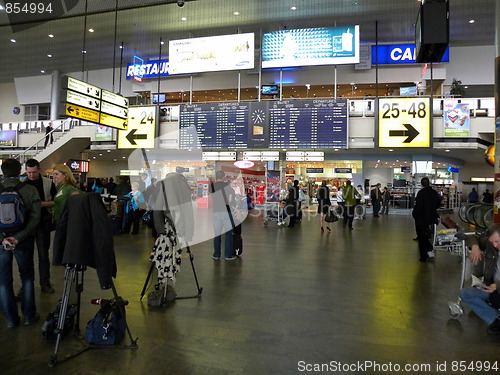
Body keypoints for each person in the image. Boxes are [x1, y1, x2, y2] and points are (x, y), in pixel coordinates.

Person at [0, 158, 41, 328]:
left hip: (2, 243)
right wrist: (19, 237)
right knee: (27, 278)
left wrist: (3, 238)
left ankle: (10, 319)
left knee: (3, 281)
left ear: (3, 171)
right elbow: (36, 217)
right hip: (23, 242)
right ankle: (29, 316)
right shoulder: (29, 189)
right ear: (20, 171)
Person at [23, 158, 57, 294]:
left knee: (43, 255)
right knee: (27, 256)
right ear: (26, 171)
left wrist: (43, 204)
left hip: (43, 222)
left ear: (39, 170)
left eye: (34, 172)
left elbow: (56, 201)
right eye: (29, 172)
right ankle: (26, 285)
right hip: (28, 225)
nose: (31, 175)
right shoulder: (22, 184)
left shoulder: (48, 183)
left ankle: (45, 282)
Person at [460, 224, 500, 334]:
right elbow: (473, 237)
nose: (494, 245)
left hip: (496, 288)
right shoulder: (490, 245)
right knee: (465, 293)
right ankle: (496, 320)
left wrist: (497, 286)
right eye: (492, 242)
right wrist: (475, 247)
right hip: (492, 289)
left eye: (496, 241)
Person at [412, 177, 441, 262]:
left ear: (421, 184)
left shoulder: (421, 193)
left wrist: (415, 215)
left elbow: (418, 206)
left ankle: (424, 255)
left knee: (421, 235)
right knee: (425, 235)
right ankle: (429, 248)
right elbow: (438, 204)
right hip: (432, 217)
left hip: (422, 218)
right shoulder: (434, 193)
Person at [210, 170, 236, 260]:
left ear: (215, 177)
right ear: (224, 177)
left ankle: (216, 255)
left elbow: (210, 199)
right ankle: (228, 255)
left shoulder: (211, 186)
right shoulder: (227, 186)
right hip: (226, 211)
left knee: (217, 234)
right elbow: (231, 198)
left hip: (216, 212)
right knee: (228, 234)